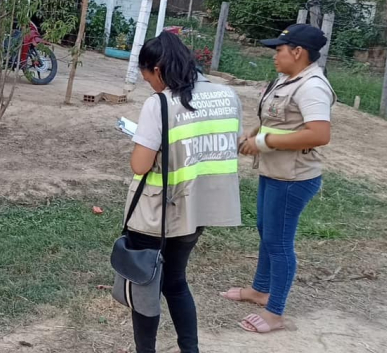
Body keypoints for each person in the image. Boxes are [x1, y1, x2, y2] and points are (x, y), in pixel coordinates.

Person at [126, 32, 243, 353]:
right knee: (176, 281)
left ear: (159, 69)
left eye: (147, 76)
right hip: (199, 211)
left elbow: (140, 164)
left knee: (145, 288)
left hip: (156, 216)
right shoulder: (227, 95)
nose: (149, 84)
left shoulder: (160, 104)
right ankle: (190, 349)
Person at [222, 24, 336, 334]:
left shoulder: (312, 86)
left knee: (279, 242)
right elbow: (280, 119)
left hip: (294, 177)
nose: (274, 55)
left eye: (279, 50)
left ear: (298, 52)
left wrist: (264, 143)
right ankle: (260, 291)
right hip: (275, 171)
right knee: (266, 231)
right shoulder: (289, 79)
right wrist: (256, 132)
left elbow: (318, 133)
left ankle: (276, 312)